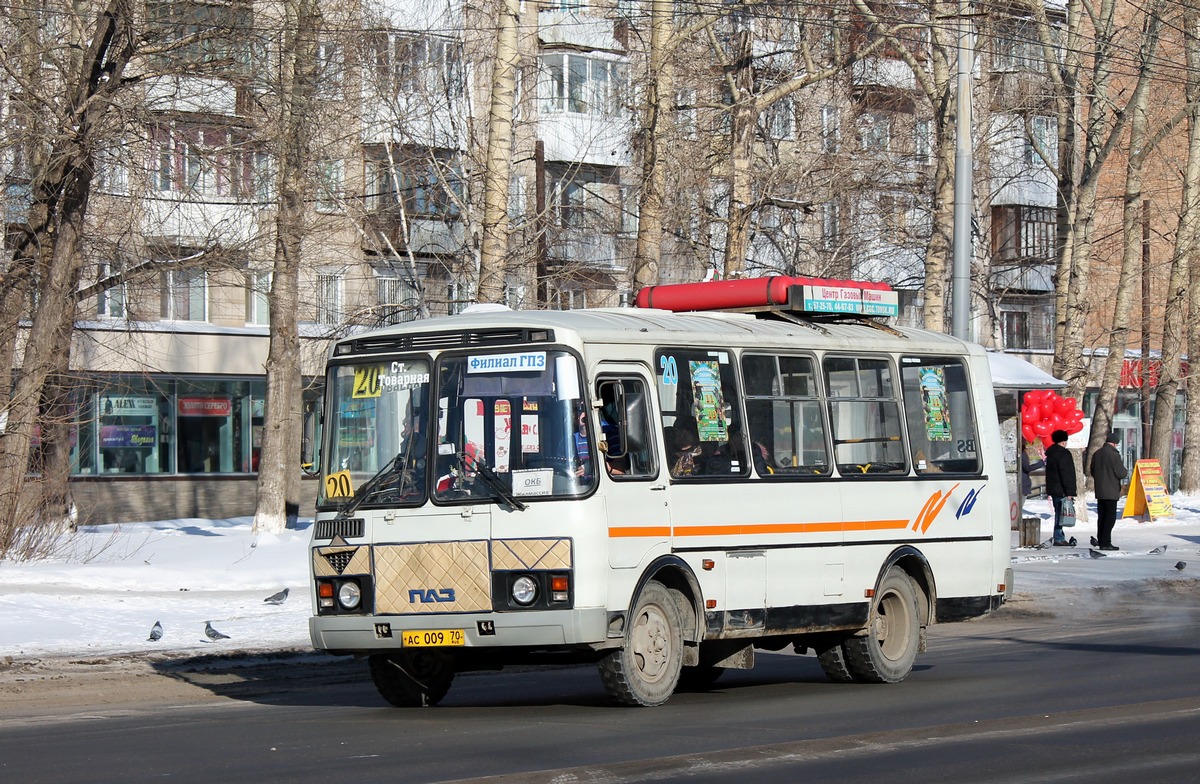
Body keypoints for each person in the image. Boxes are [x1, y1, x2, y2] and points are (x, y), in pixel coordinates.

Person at [1089, 431, 1128, 551]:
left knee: (1102, 516)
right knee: (1110, 518)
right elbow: (1121, 473)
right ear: (1115, 443)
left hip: (1100, 490)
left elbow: (1092, 471)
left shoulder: (1097, 453)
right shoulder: (1114, 455)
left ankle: (1101, 540)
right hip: (1111, 490)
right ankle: (1106, 542)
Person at [1043, 429, 1077, 546]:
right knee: (1061, 513)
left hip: (1054, 488)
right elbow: (1066, 473)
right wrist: (1070, 491)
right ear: (1063, 441)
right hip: (1062, 488)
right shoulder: (1063, 454)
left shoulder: (1051, 453)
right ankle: (1058, 537)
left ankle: (1059, 535)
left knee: (1059, 512)